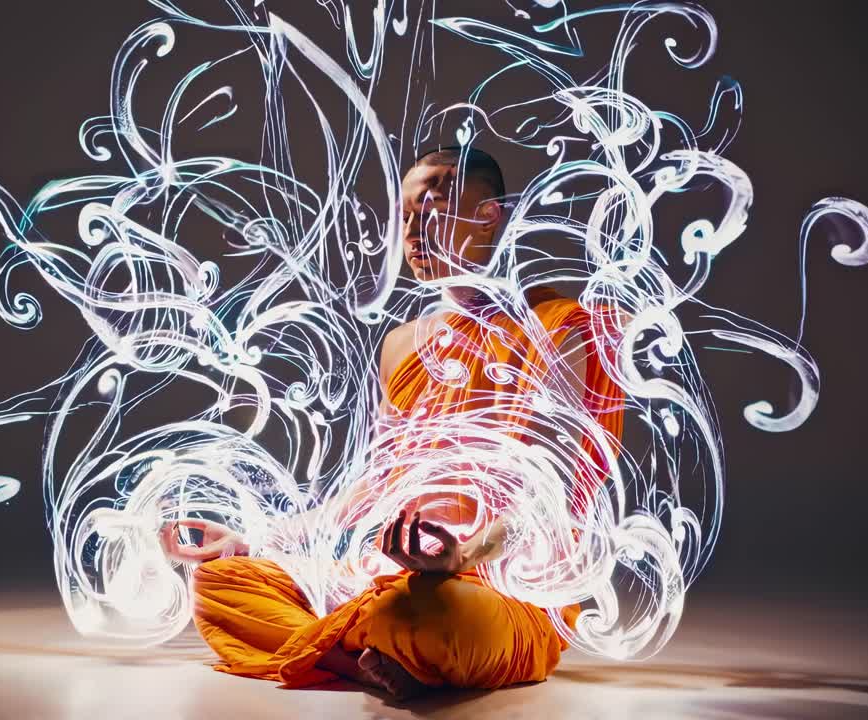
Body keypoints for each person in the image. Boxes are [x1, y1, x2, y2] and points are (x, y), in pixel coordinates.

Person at [160, 147, 626, 699]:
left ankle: (358, 643)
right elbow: (374, 488)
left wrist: (464, 557)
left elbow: (553, 498)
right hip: (388, 576)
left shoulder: (554, 328)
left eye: (432, 204)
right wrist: (254, 539)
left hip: (496, 587)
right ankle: (371, 660)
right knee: (219, 583)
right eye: (406, 215)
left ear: (490, 213)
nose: (414, 228)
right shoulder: (403, 346)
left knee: (438, 612)